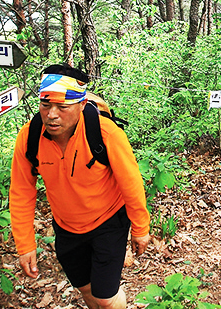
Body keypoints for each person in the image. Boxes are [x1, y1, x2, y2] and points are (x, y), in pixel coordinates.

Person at [9, 65, 151, 309]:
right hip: (66, 227)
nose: (52, 114)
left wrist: (140, 227)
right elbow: (21, 192)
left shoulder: (105, 133)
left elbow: (131, 182)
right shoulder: (29, 137)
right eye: (45, 105)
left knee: (105, 297)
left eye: (62, 107)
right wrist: (25, 244)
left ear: (81, 105)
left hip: (108, 220)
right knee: (85, 288)